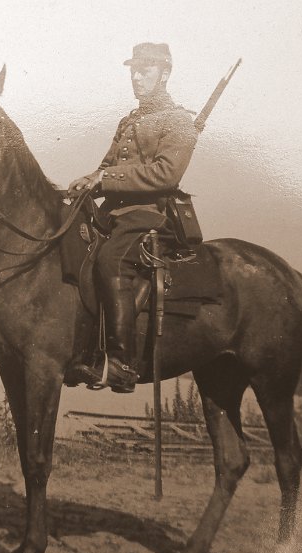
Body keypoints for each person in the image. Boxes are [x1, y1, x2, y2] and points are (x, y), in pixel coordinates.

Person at [67, 42, 198, 393]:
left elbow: (166, 174)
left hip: (148, 214)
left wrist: (105, 179)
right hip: (114, 214)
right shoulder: (130, 120)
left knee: (111, 260)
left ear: (165, 74)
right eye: (133, 71)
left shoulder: (179, 121)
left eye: (146, 71)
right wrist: (89, 181)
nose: (137, 78)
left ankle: (123, 364)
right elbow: (110, 168)